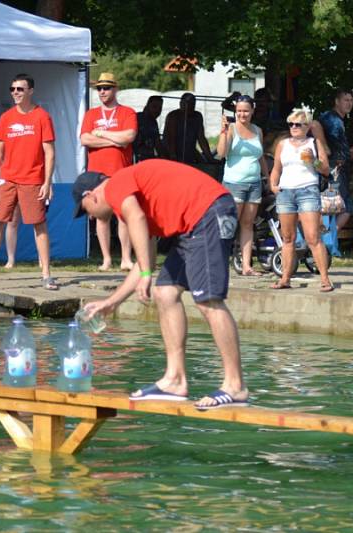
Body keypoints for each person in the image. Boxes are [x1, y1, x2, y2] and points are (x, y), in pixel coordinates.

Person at [72, 159, 248, 409]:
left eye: (84, 209)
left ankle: (235, 385)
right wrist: (112, 302)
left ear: (91, 195)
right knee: (164, 292)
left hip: (208, 211)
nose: (89, 217)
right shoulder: (136, 197)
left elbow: (136, 221)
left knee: (208, 300)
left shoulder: (117, 186)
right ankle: (175, 380)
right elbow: (145, 258)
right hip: (194, 223)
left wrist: (146, 272)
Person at [0, 73, 57, 289]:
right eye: (13, 89)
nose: (15, 93)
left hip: (33, 180)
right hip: (7, 179)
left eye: (20, 89)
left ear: (30, 91)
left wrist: (48, 182)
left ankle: (46, 274)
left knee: (39, 225)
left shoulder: (42, 116)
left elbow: (49, 152)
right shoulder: (7, 117)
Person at [268, 108, 334, 292]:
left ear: (308, 126)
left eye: (298, 124)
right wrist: (273, 185)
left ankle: (325, 279)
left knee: (312, 236)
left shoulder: (314, 143)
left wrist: (313, 161)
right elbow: (276, 168)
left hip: (307, 189)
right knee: (287, 237)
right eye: (291, 124)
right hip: (286, 191)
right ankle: (285, 278)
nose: (294, 127)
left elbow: (326, 169)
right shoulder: (282, 144)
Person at [80, 72, 137, 271]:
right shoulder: (91, 114)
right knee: (102, 216)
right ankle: (105, 259)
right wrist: (114, 140)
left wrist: (102, 133)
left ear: (115, 89)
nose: (102, 91)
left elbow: (129, 136)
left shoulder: (127, 112)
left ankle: (125, 259)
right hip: (97, 174)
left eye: (107, 88)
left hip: (121, 171)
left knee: (123, 216)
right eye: (100, 88)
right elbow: (85, 139)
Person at [217, 94, 268, 277]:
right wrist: (223, 132)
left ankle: (246, 265)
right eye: (239, 111)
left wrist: (268, 176)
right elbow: (222, 153)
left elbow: (260, 155)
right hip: (234, 183)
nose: (242, 114)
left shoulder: (258, 130)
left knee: (248, 224)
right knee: (229, 224)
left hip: (254, 183)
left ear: (252, 111)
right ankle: (220, 263)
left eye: (246, 111)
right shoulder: (231, 129)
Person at [318, 89, 353, 230]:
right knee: (337, 205)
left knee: (340, 205)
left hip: (337, 167)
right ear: (337, 101)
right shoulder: (332, 119)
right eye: (346, 100)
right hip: (334, 168)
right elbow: (339, 144)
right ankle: (328, 240)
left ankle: (329, 239)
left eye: (351, 100)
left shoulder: (338, 119)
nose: (349, 103)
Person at [164, 92, 214, 164]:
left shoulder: (197, 116)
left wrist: (209, 157)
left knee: (204, 163)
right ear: (181, 104)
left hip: (190, 151)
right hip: (173, 153)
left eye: (192, 104)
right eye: (187, 103)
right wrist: (173, 156)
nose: (190, 106)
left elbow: (201, 138)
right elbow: (171, 138)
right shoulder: (173, 116)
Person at [133, 95, 166, 161]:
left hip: (148, 159)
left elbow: (157, 143)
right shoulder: (136, 118)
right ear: (147, 106)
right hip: (136, 158)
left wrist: (163, 157)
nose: (157, 110)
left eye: (160, 108)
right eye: (154, 107)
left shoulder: (154, 122)